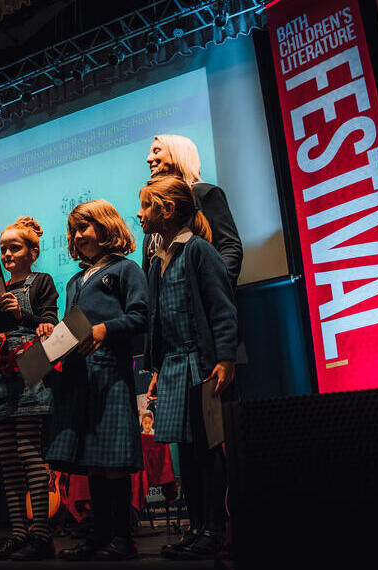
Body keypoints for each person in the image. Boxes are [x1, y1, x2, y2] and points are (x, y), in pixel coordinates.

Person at [137, 176, 238, 560]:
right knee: (185, 451)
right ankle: (195, 528)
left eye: (147, 206)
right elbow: (158, 324)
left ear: (167, 210)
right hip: (175, 366)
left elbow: (221, 307)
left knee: (207, 450)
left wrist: (225, 357)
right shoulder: (157, 261)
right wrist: (157, 369)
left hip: (201, 364)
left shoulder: (198, 251)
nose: (141, 213)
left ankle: (214, 528)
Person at [44, 199, 149, 561]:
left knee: (112, 461)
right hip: (77, 377)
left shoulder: (125, 270)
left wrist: (105, 329)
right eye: (73, 230)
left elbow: (140, 317)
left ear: (106, 227)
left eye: (84, 227)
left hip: (109, 373)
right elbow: (71, 329)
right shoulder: (74, 281)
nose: (77, 235)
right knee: (91, 460)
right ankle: (98, 534)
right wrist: (51, 339)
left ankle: (121, 538)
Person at [0, 217, 60, 561]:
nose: (7, 254)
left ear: (33, 251)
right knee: (8, 459)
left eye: (15, 247)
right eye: (3, 249)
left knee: (29, 451)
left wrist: (23, 318)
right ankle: (17, 534)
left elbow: (51, 321)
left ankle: (40, 535)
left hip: (31, 364)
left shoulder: (41, 282)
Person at [144, 134, 243, 284]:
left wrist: (217, 288)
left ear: (178, 153)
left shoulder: (204, 194)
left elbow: (230, 247)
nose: (148, 159)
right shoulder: (153, 212)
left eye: (156, 151)